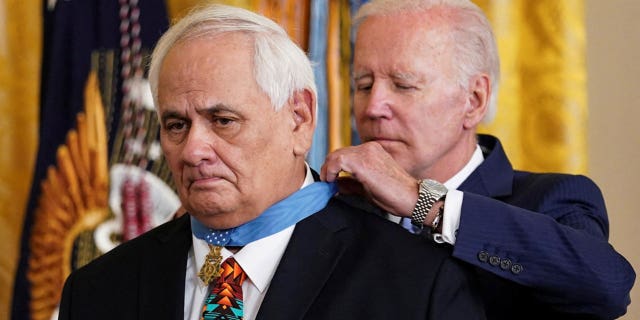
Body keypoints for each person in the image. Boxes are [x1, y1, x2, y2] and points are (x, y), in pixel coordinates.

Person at [57, 4, 486, 320]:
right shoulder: (97, 290)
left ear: (299, 119)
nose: (192, 150)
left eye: (223, 120)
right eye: (175, 125)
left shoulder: (416, 283)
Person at [320, 0, 636, 319]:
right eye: (363, 85)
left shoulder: (552, 199)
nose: (373, 107)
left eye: (403, 85)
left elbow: (609, 286)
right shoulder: (336, 211)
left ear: (474, 100)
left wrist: (424, 202)